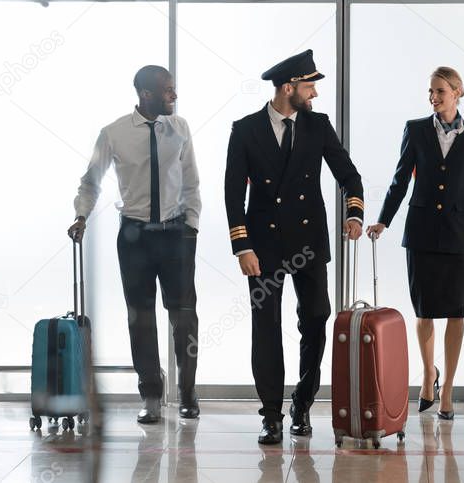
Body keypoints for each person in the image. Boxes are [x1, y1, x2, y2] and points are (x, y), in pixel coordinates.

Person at [224, 49, 365, 445]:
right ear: (289, 88)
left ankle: (302, 401)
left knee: (316, 318)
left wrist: (354, 213)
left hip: (308, 241)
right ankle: (271, 414)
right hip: (263, 246)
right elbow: (233, 194)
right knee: (266, 327)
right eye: (310, 86)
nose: (315, 94)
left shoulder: (318, 126)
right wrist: (242, 247)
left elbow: (348, 175)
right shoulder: (246, 129)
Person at [68, 65, 202, 423]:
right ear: (146, 94)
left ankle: (188, 392)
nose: (174, 96)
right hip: (135, 238)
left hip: (176, 235)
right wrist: (81, 216)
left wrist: (192, 228)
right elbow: (90, 182)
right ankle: (152, 396)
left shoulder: (180, 128)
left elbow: (191, 183)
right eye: (168, 90)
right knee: (140, 320)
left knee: (184, 318)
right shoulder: (113, 134)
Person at [367, 67, 464, 420]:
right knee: (424, 310)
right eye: (430, 92)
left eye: (440, 91)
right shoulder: (416, 129)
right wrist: (384, 220)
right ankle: (428, 375)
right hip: (421, 232)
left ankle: (447, 386)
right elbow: (400, 179)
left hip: (459, 233)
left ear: (458, 92)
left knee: (456, 311)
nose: (433, 97)